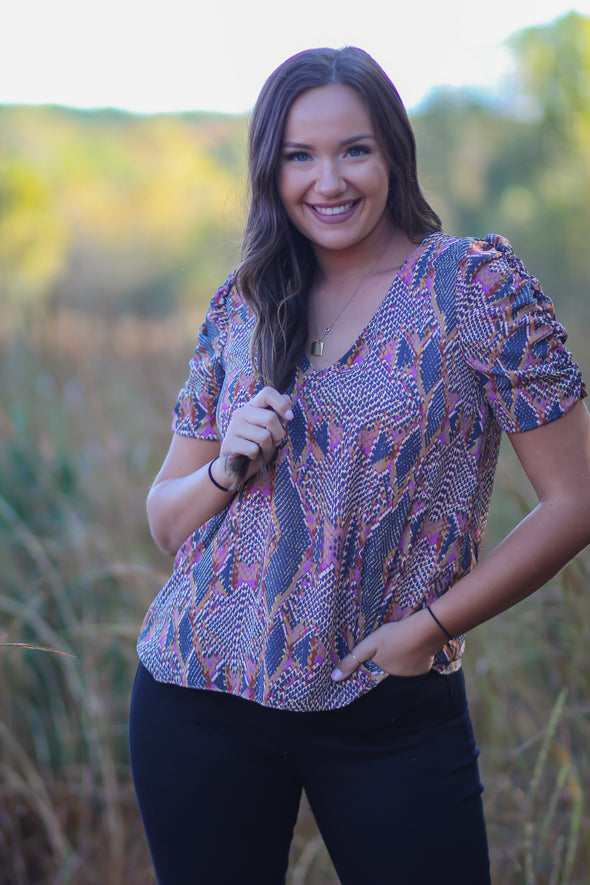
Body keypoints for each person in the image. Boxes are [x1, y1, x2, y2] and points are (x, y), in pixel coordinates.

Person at [129, 47, 590, 885]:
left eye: (354, 149)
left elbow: (577, 499)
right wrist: (227, 465)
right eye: (299, 155)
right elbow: (166, 521)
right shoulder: (246, 298)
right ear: (271, 169)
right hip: (200, 695)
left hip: (388, 703)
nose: (327, 180)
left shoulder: (474, 287)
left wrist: (432, 628)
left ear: (393, 155)